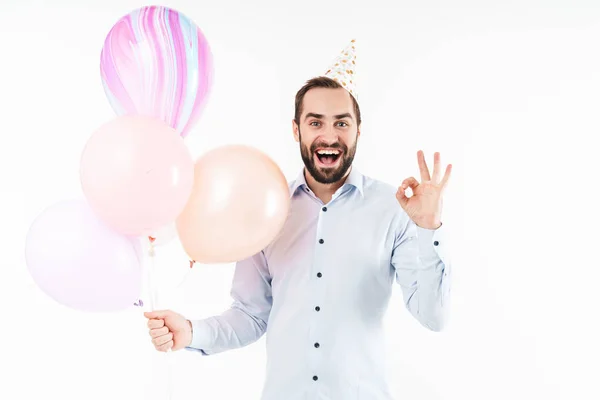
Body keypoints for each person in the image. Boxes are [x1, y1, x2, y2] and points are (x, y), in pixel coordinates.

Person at [144, 40, 453, 400]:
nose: (329, 135)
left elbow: (434, 316)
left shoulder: (394, 209)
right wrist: (192, 332)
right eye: (315, 122)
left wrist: (428, 229)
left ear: (358, 129)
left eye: (341, 122)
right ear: (297, 130)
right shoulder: (265, 209)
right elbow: (251, 315)